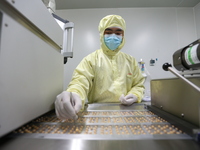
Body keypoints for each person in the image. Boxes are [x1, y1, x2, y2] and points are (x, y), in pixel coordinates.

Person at [55, 15, 145, 120]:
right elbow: (80, 82)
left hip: (127, 115)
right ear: (102, 34)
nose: (113, 36)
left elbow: (139, 85)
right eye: (109, 32)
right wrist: (74, 94)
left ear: (123, 36)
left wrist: (135, 94)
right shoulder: (90, 60)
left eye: (118, 33)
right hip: (98, 115)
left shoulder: (131, 61)